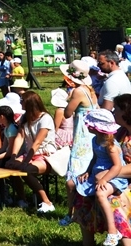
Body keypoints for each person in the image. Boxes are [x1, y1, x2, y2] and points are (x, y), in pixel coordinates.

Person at [75, 109, 127, 246]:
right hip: (98, 174)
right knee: (74, 184)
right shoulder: (95, 140)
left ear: (96, 127)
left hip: (114, 177)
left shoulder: (111, 146)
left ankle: (112, 232)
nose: (87, 126)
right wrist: (87, 171)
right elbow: (94, 158)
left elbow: (117, 166)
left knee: (101, 193)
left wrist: (105, 179)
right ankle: (72, 215)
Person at [59, 60, 100, 226]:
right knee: (84, 172)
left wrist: (68, 100)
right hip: (90, 134)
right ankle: (83, 211)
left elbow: (67, 114)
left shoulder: (77, 91)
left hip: (81, 136)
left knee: (74, 177)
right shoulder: (90, 90)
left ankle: (72, 213)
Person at [5, 91, 57, 214]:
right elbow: (19, 137)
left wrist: (26, 162)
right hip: (30, 154)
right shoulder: (25, 118)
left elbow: (37, 142)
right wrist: (13, 157)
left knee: (26, 170)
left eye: (22, 101)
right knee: (10, 167)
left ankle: (47, 202)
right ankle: (22, 199)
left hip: (46, 155)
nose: (20, 103)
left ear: (29, 104)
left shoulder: (45, 118)